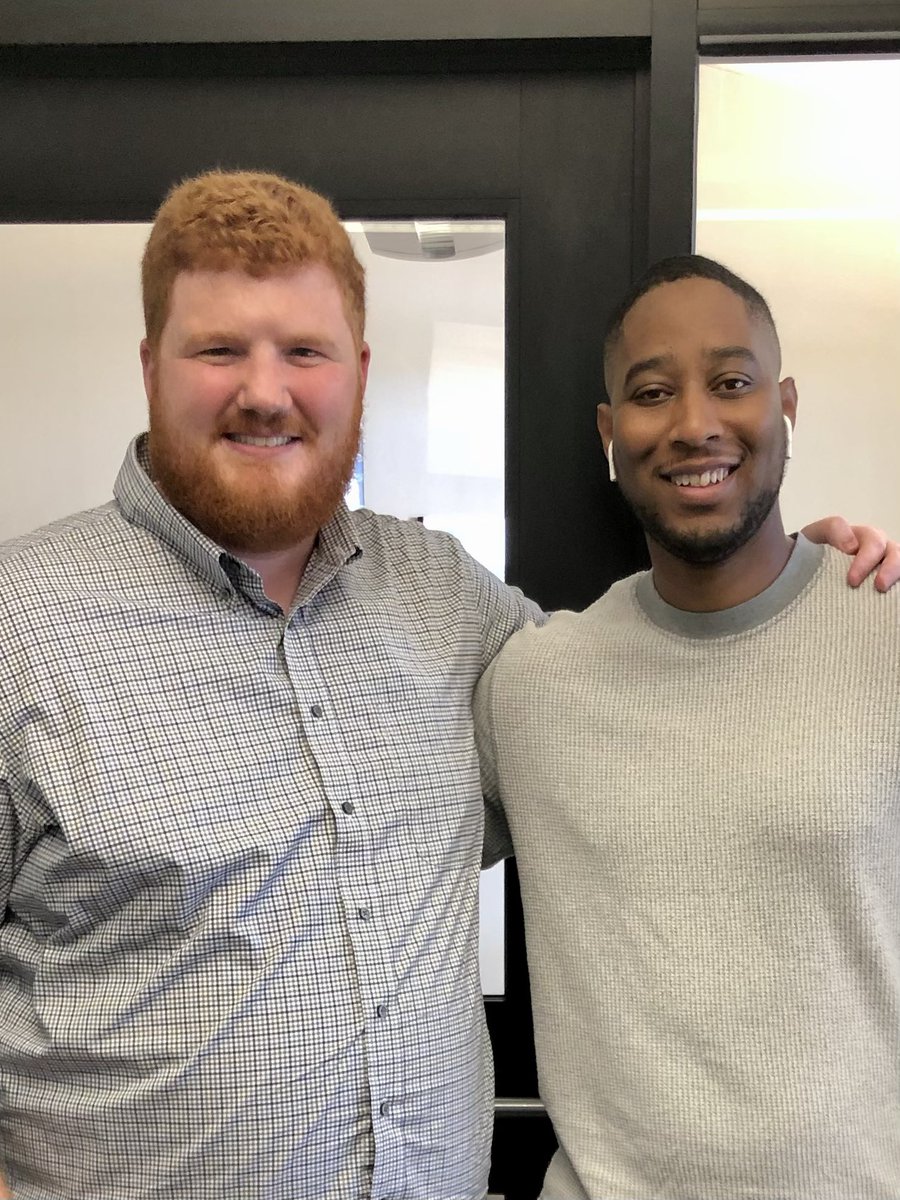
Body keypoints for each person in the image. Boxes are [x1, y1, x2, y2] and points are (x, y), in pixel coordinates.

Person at [0, 178, 893, 1200]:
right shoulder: (17, 624)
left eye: (304, 351)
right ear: (151, 366)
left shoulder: (446, 601)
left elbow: (660, 683)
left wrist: (810, 585)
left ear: (358, 373)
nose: (264, 389)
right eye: (218, 350)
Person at [475, 254, 900, 1200]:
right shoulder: (534, 685)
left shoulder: (890, 634)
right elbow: (367, 850)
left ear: (784, 402)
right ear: (609, 431)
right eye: (653, 392)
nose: (696, 423)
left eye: (733, 383)